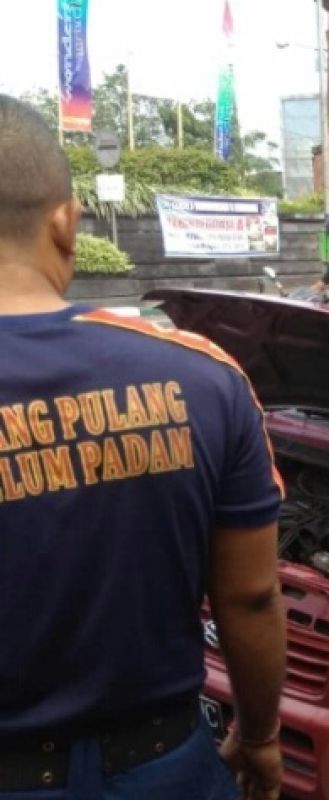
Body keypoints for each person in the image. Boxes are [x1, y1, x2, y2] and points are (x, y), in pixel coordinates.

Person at [0, 95, 286, 799]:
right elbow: (248, 597)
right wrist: (261, 739)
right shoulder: (205, 375)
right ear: (67, 224)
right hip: (161, 766)